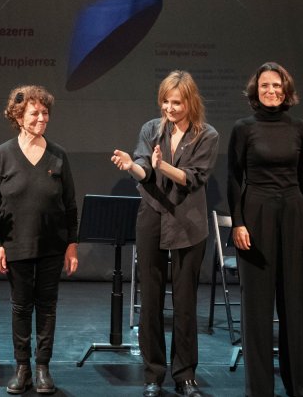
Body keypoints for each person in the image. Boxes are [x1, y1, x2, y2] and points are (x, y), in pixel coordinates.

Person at [111, 70, 219, 397]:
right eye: (166, 102)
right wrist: (133, 166)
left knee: (185, 303)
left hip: (189, 222)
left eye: (177, 102)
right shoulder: (151, 129)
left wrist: (163, 167)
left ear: (190, 102)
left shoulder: (207, 135)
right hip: (153, 217)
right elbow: (145, 169)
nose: (170, 109)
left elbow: (194, 177)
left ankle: (185, 376)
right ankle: (153, 375)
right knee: (151, 300)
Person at [227, 61, 303, 397]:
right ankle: (260, 388)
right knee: (257, 304)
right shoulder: (243, 128)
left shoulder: (300, 128)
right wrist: (238, 222)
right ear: (256, 90)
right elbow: (235, 179)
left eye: (277, 86)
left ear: (286, 91)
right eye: (265, 85)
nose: (271, 91)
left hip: (294, 213)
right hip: (256, 213)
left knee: (295, 300)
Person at [0, 86, 79, 395]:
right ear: (18, 116)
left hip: (53, 245)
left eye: (45, 112)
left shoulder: (59, 154)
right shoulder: (2, 154)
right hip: (16, 244)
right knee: (21, 306)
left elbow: (70, 205)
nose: (41, 118)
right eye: (34, 113)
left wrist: (71, 245)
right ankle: (22, 367)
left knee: (47, 306)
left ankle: (43, 367)